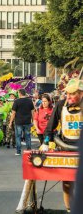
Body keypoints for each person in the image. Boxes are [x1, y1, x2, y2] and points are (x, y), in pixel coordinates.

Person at [40, 78, 83, 213]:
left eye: (73, 93)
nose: (69, 96)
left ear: (81, 93)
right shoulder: (60, 105)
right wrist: (46, 142)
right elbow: (50, 127)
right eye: (67, 93)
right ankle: (69, 209)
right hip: (66, 147)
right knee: (67, 180)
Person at [8, 89, 35, 155]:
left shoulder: (16, 101)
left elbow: (13, 113)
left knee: (18, 136)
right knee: (28, 136)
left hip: (18, 122)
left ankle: (18, 151)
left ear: (19, 93)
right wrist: (33, 120)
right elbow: (32, 112)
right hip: (27, 121)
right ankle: (29, 150)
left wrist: (10, 122)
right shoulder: (30, 101)